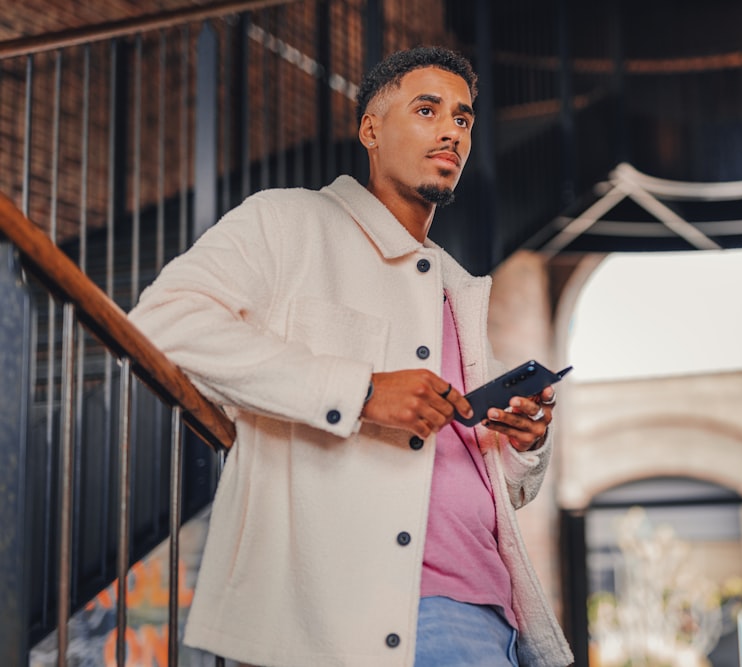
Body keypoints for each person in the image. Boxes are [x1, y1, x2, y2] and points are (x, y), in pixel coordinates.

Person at [128, 46, 573, 667]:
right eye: (427, 109)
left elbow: (495, 485)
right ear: (370, 129)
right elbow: (163, 324)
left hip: (490, 618)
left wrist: (523, 443)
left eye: (464, 118)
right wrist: (361, 391)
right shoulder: (287, 223)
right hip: (347, 619)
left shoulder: (457, 286)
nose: (451, 130)